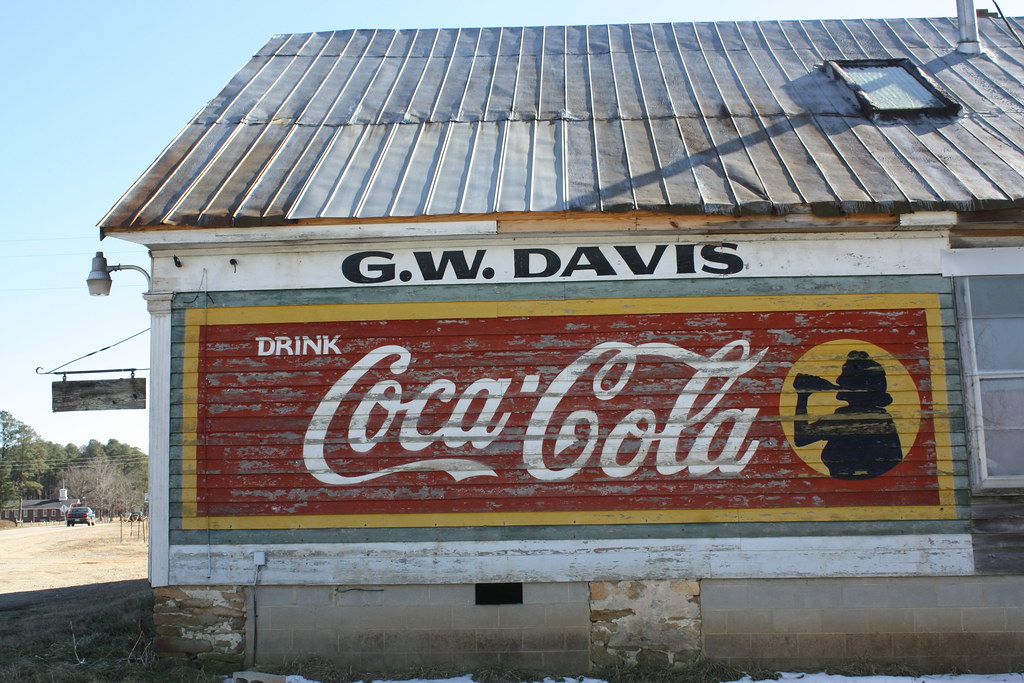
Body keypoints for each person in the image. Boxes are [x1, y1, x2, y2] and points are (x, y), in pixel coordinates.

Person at [793, 350, 903, 480]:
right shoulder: (881, 417)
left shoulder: (851, 419)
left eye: (845, 375)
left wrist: (803, 396)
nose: (838, 379)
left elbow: (801, 438)